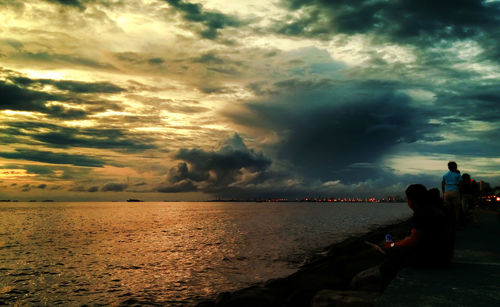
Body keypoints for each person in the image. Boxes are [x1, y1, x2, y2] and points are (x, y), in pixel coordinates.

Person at [379, 184, 454, 283]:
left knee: (386, 267)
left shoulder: (421, 214)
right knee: (398, 248)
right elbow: (417, 237)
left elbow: (412, 241)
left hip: (433, 258)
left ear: (411, 201)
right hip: (444, 254)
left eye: (407, 199)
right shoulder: (435, 209)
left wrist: (392, 245)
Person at [442, 161, 462, 227]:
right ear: (455, 167)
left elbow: (443, 184)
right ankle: (458, 224)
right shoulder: (458, 175)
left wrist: (443, 193)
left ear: (448, 167)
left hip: (447, 192)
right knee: (457, 209)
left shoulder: (445, 175)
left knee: (448, 209)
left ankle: (449, 223)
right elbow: (460, 185)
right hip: (455, 191)